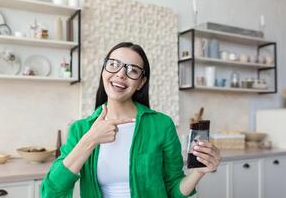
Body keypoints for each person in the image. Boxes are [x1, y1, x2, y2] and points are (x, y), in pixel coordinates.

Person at [41, 42, 221, 198]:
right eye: (113, 64)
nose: (121, 74)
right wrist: (91, 139)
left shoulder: (161, 125)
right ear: (104, 71)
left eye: (132, 70)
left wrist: (198, 172)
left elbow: (173, 189)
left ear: (141, 82)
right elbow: (51, 192)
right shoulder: (80, 129)